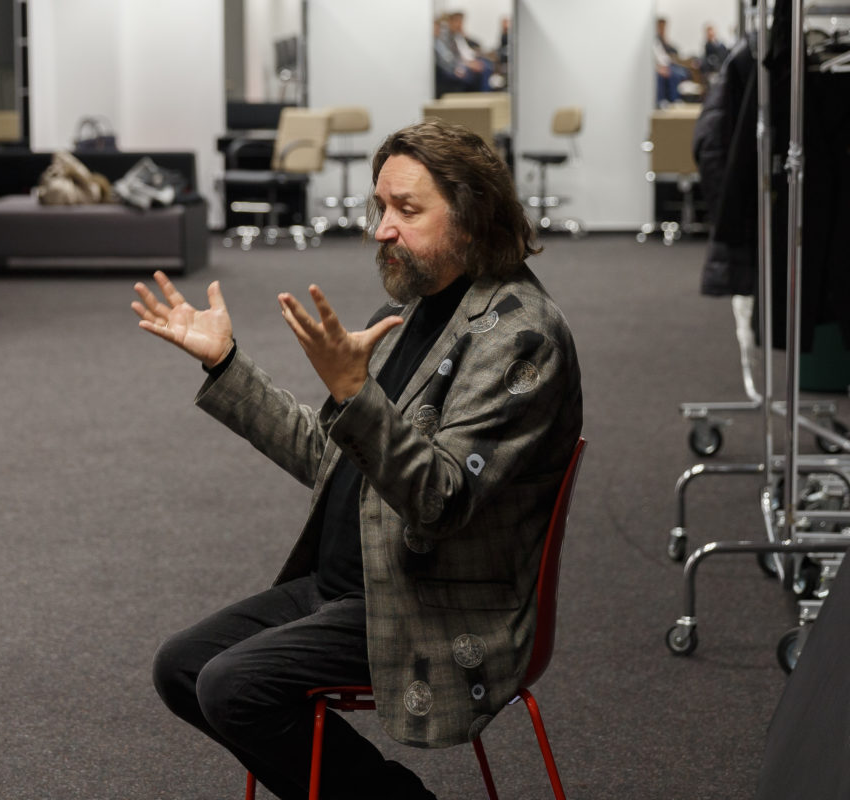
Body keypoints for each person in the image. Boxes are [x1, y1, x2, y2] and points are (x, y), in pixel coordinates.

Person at [135, 121, 583, 800]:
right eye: (381, 207)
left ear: (472, 216)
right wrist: (226, 365)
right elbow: (331, 457)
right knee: (183, 668)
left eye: (407, 209)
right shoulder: (414, 312)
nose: (382, 229)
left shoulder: (521, 336)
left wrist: (353, 391)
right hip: (354, 583)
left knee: (234, 687)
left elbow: (440, 500)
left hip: (433, 604)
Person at [435, 11, 493, 94]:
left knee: (487, 64)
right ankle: (483, 94)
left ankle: (484, 94)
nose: (459, 24)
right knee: (481, 70)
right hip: (457, 66)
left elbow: (465, 51)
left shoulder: (457, 35)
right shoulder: (444, 38)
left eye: (461, 22)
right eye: (457, 21)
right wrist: (465, 65)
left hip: (462, 63)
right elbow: (450, 58)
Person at [654, 17, 691, 106]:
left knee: (683, 72)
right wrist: (659, 67)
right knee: (674, 75)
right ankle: (672, 99)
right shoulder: (654, 40)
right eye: (661, 27)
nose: (663, 29)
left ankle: (676, 99)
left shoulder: (662, 40)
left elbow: (670, 53)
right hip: (659, 67)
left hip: (667, 64)